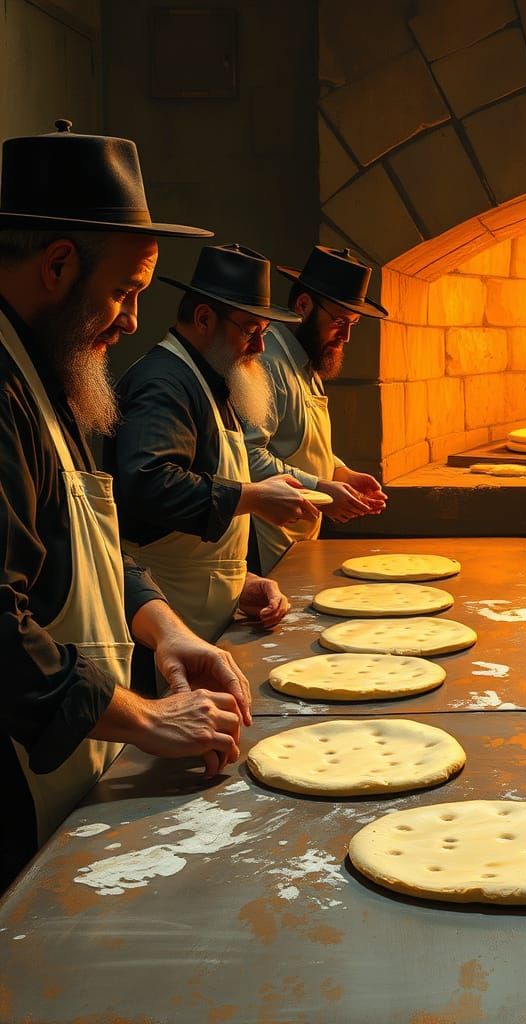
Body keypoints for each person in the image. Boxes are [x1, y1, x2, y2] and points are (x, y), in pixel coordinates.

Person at [0, 121, 253, 891]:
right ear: (57, 266)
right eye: (124, 291)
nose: (134, 320)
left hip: (76, 774)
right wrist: (145, 717)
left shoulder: (51, 371)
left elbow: (89, 550)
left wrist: (166, 630)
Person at [106, 244, 321, 645]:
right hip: (166, 624)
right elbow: (149, 485)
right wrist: (253, 497)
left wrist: (241, 583)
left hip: (203, 614)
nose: (259, 347)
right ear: (204, 318)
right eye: (251, 331)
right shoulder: (163, 384)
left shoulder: (210, 380)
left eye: (264, 333)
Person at [245, 245, 389, 574]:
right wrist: (320, 488)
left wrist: (340, 473)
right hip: (264, 542)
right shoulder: (268, 362)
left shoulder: (307, 361)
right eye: (339, 321)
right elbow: (248, 456)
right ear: (303, 305)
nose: (346, 336)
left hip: (297, 540)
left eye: (353, 324)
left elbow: (296, 443)